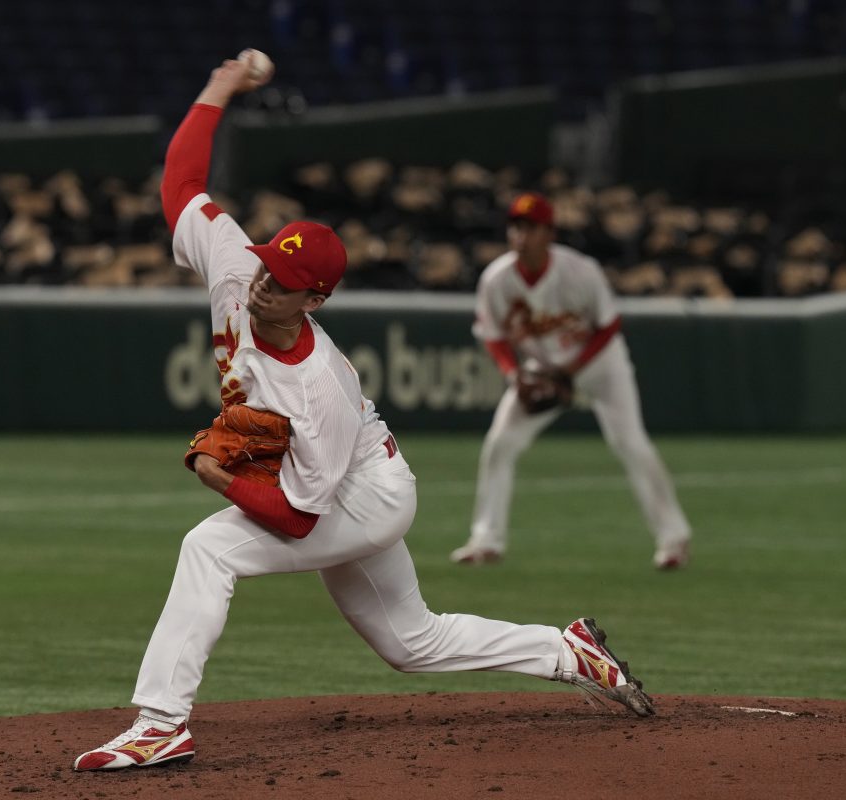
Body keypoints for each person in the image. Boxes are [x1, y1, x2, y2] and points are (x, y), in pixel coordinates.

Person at [73, 58, 655, 772]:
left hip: (364, 495)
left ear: (314, 300)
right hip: (330, 480)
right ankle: (567, 652)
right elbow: (182, 186)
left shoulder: (320, 386)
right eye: (264, 269)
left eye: (283, 286)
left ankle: (161, 723)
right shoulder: (235, 269)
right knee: (413, 643)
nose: (261, 288)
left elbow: (297, 520)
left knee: (209, 548)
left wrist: (215, 474)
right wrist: (221, 89)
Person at [450, 193, 692, 570]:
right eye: (516, 226)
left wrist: (571, 371)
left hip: (600, 364)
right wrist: (514, 375)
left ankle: (673, 538)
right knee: (500, 443)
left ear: (549, 233)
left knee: (629, 442)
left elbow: (609, 325)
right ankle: (486, 539)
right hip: (542, 369)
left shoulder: (580, 270)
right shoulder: (497, 279)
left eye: (530, 227)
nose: (521, 235)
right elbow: (493, 335)